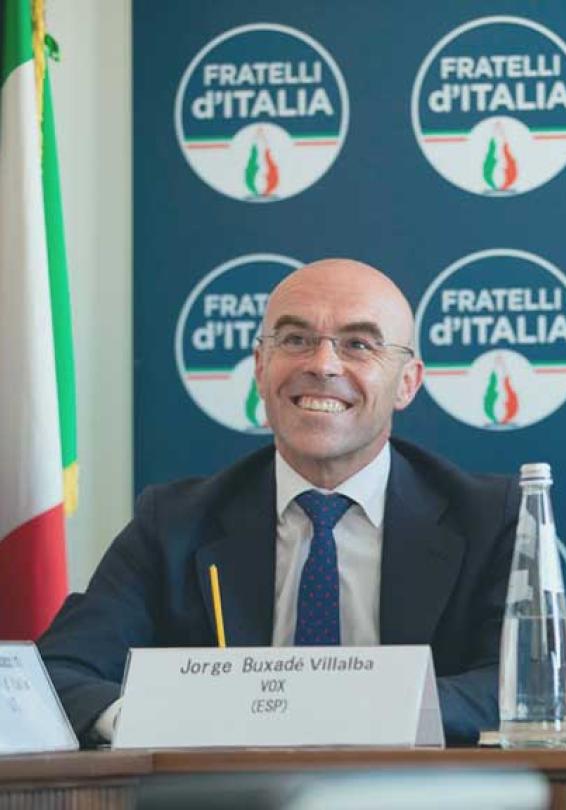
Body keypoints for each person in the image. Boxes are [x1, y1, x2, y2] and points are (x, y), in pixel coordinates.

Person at [37, 259, 518, 746]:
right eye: (295, 340)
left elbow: (520, 683)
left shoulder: (492, 518)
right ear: (261, 368)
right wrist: (149, 721)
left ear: (408, 382)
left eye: (358, 344)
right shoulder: (174, 523)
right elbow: (61, 673)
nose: (323, 364)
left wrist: (353, 710)